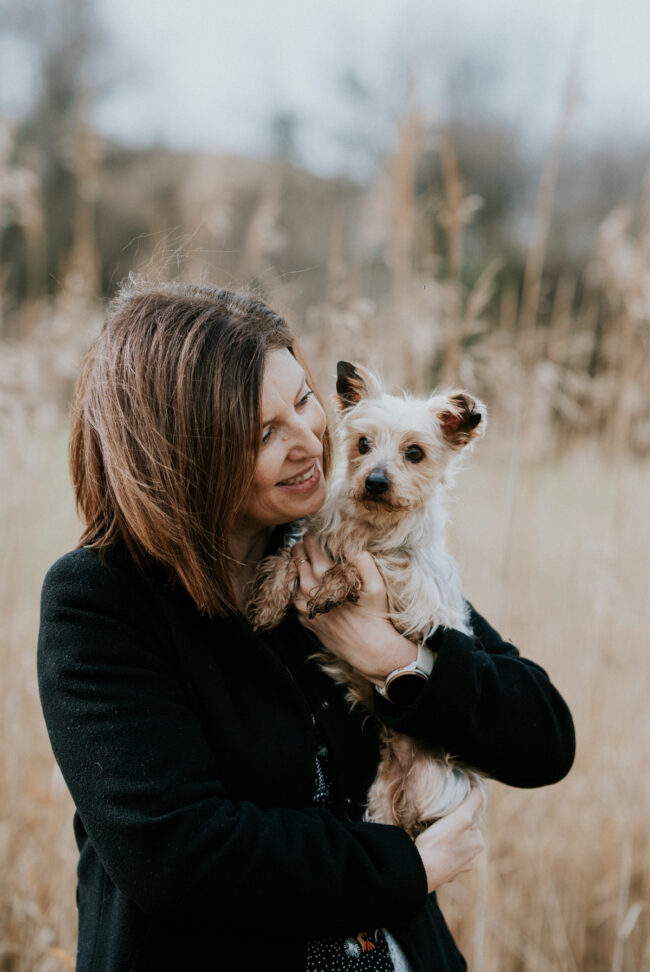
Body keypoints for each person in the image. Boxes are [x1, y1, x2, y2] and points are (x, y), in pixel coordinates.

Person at [37, 280, 575, 972]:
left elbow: (545, 739)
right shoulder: (103, 601)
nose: (310, 441)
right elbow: (179, 855)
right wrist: (407, 866)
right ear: (181, 457)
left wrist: (391, 658)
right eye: (264, 432)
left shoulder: (342, 541)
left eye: (303, 400)